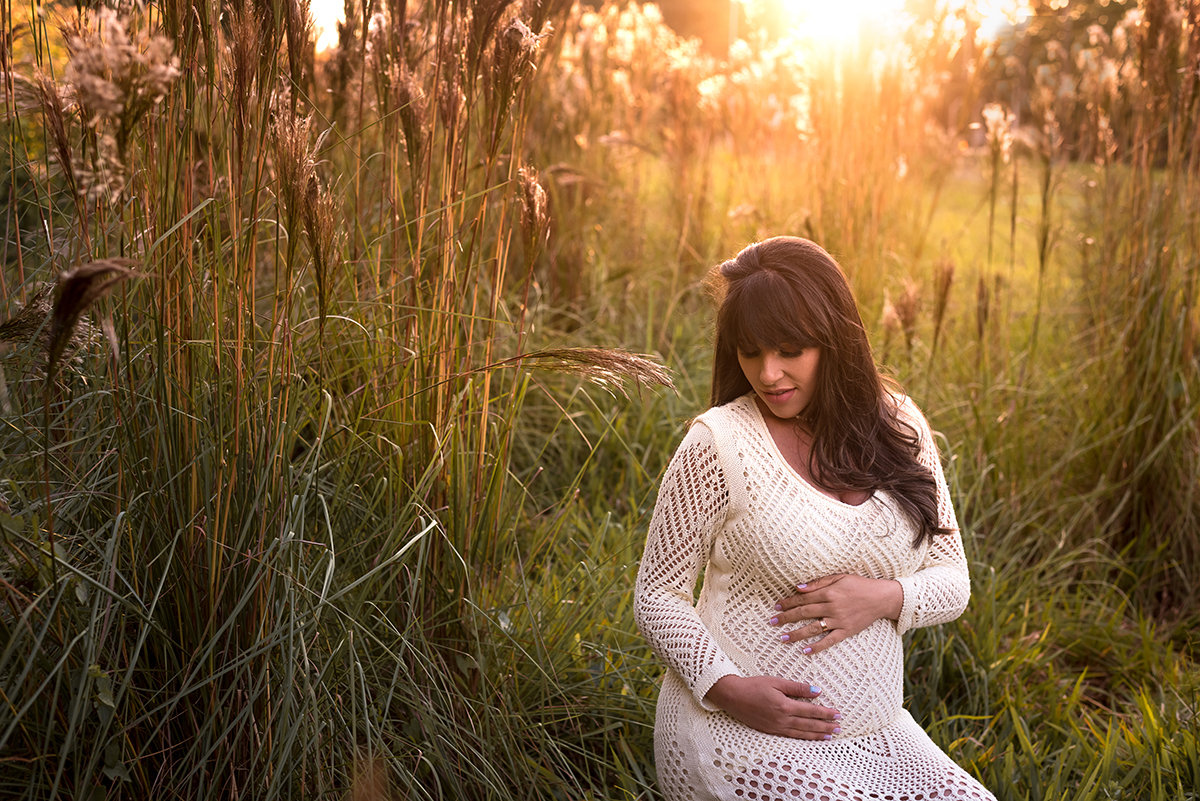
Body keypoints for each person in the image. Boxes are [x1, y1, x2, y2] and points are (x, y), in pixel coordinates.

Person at [634, 237, 994, 801]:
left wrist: (881, 597)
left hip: (879, 736)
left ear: (834, 341)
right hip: (737, 733)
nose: (769, 374)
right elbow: (658, 595)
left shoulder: (899, 429)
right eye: (750, 353)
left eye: (789, 350)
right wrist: (727, 689)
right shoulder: (720, 443)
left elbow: (953, 581)